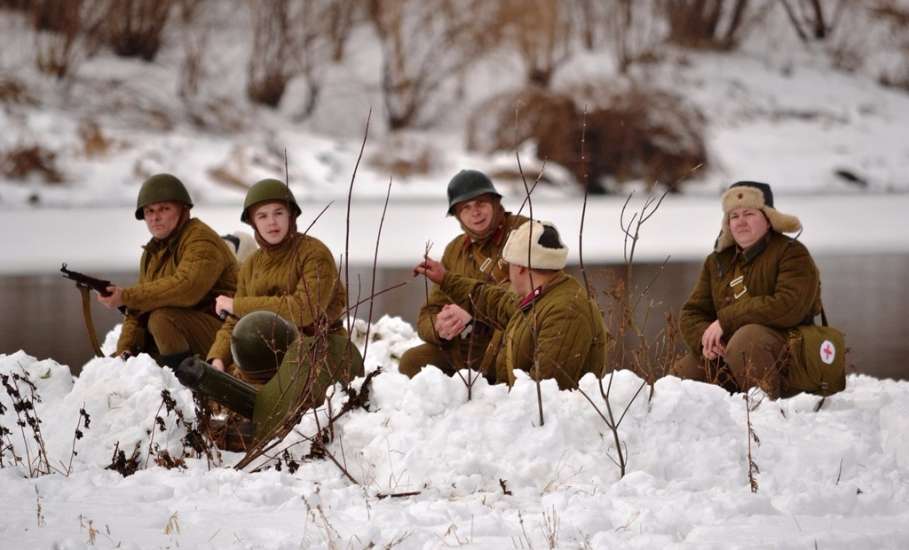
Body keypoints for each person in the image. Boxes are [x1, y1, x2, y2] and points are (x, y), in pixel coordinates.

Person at [414, 220, 608, 390]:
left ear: (521, 266)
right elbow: (495, 302)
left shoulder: (565, 312)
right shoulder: (542, 297)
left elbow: (544, 396)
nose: (508, 272)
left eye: (509, 265)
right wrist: (445, 279)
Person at [675, 181, 822, 398]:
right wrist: (706, 340)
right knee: (684, 372)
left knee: (747, 339)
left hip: (789, 357)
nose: (741, 222)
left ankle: (767, 411)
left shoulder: (792, 253)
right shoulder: (716, 261)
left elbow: (788, 305)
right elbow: (691, 313)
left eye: (749, 214)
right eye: (734, 216)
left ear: (769, 218)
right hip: (731, 354)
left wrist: (726, 321)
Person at [206, 178, 347, 385]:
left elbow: (304, 310)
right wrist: (217, 358)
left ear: (291, 216)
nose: (272, 222)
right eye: (262, 216)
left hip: (318, 349)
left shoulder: (315, 254)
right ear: (253, 222)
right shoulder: (251, 264)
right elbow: (236, 321)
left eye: (278, 213)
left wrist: (237, 305)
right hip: (263, 356)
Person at [399, 169, 527, 379]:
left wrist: (473, 309)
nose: (475, 212)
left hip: (509, 342)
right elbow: (429, 311)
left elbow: (532, 290)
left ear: (495, 203)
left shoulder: (522, 231)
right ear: (457, 215)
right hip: (465, 351)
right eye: (466, 207)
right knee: (412, 362)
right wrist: (440, 327)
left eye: (481, 204)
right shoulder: (455, 250)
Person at [99, 173, 238, 360]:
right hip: (190, 331)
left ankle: (183, 380)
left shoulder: (201, 240)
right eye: (149, 211)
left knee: (162, 319)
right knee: (154, 320)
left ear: (183, 209)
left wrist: (126, 296)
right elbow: (138, 309)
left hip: (226, 335)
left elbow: (187, 287)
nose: (155, 218)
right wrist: (125, 349)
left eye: (164, 209)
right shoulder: (152, 252)